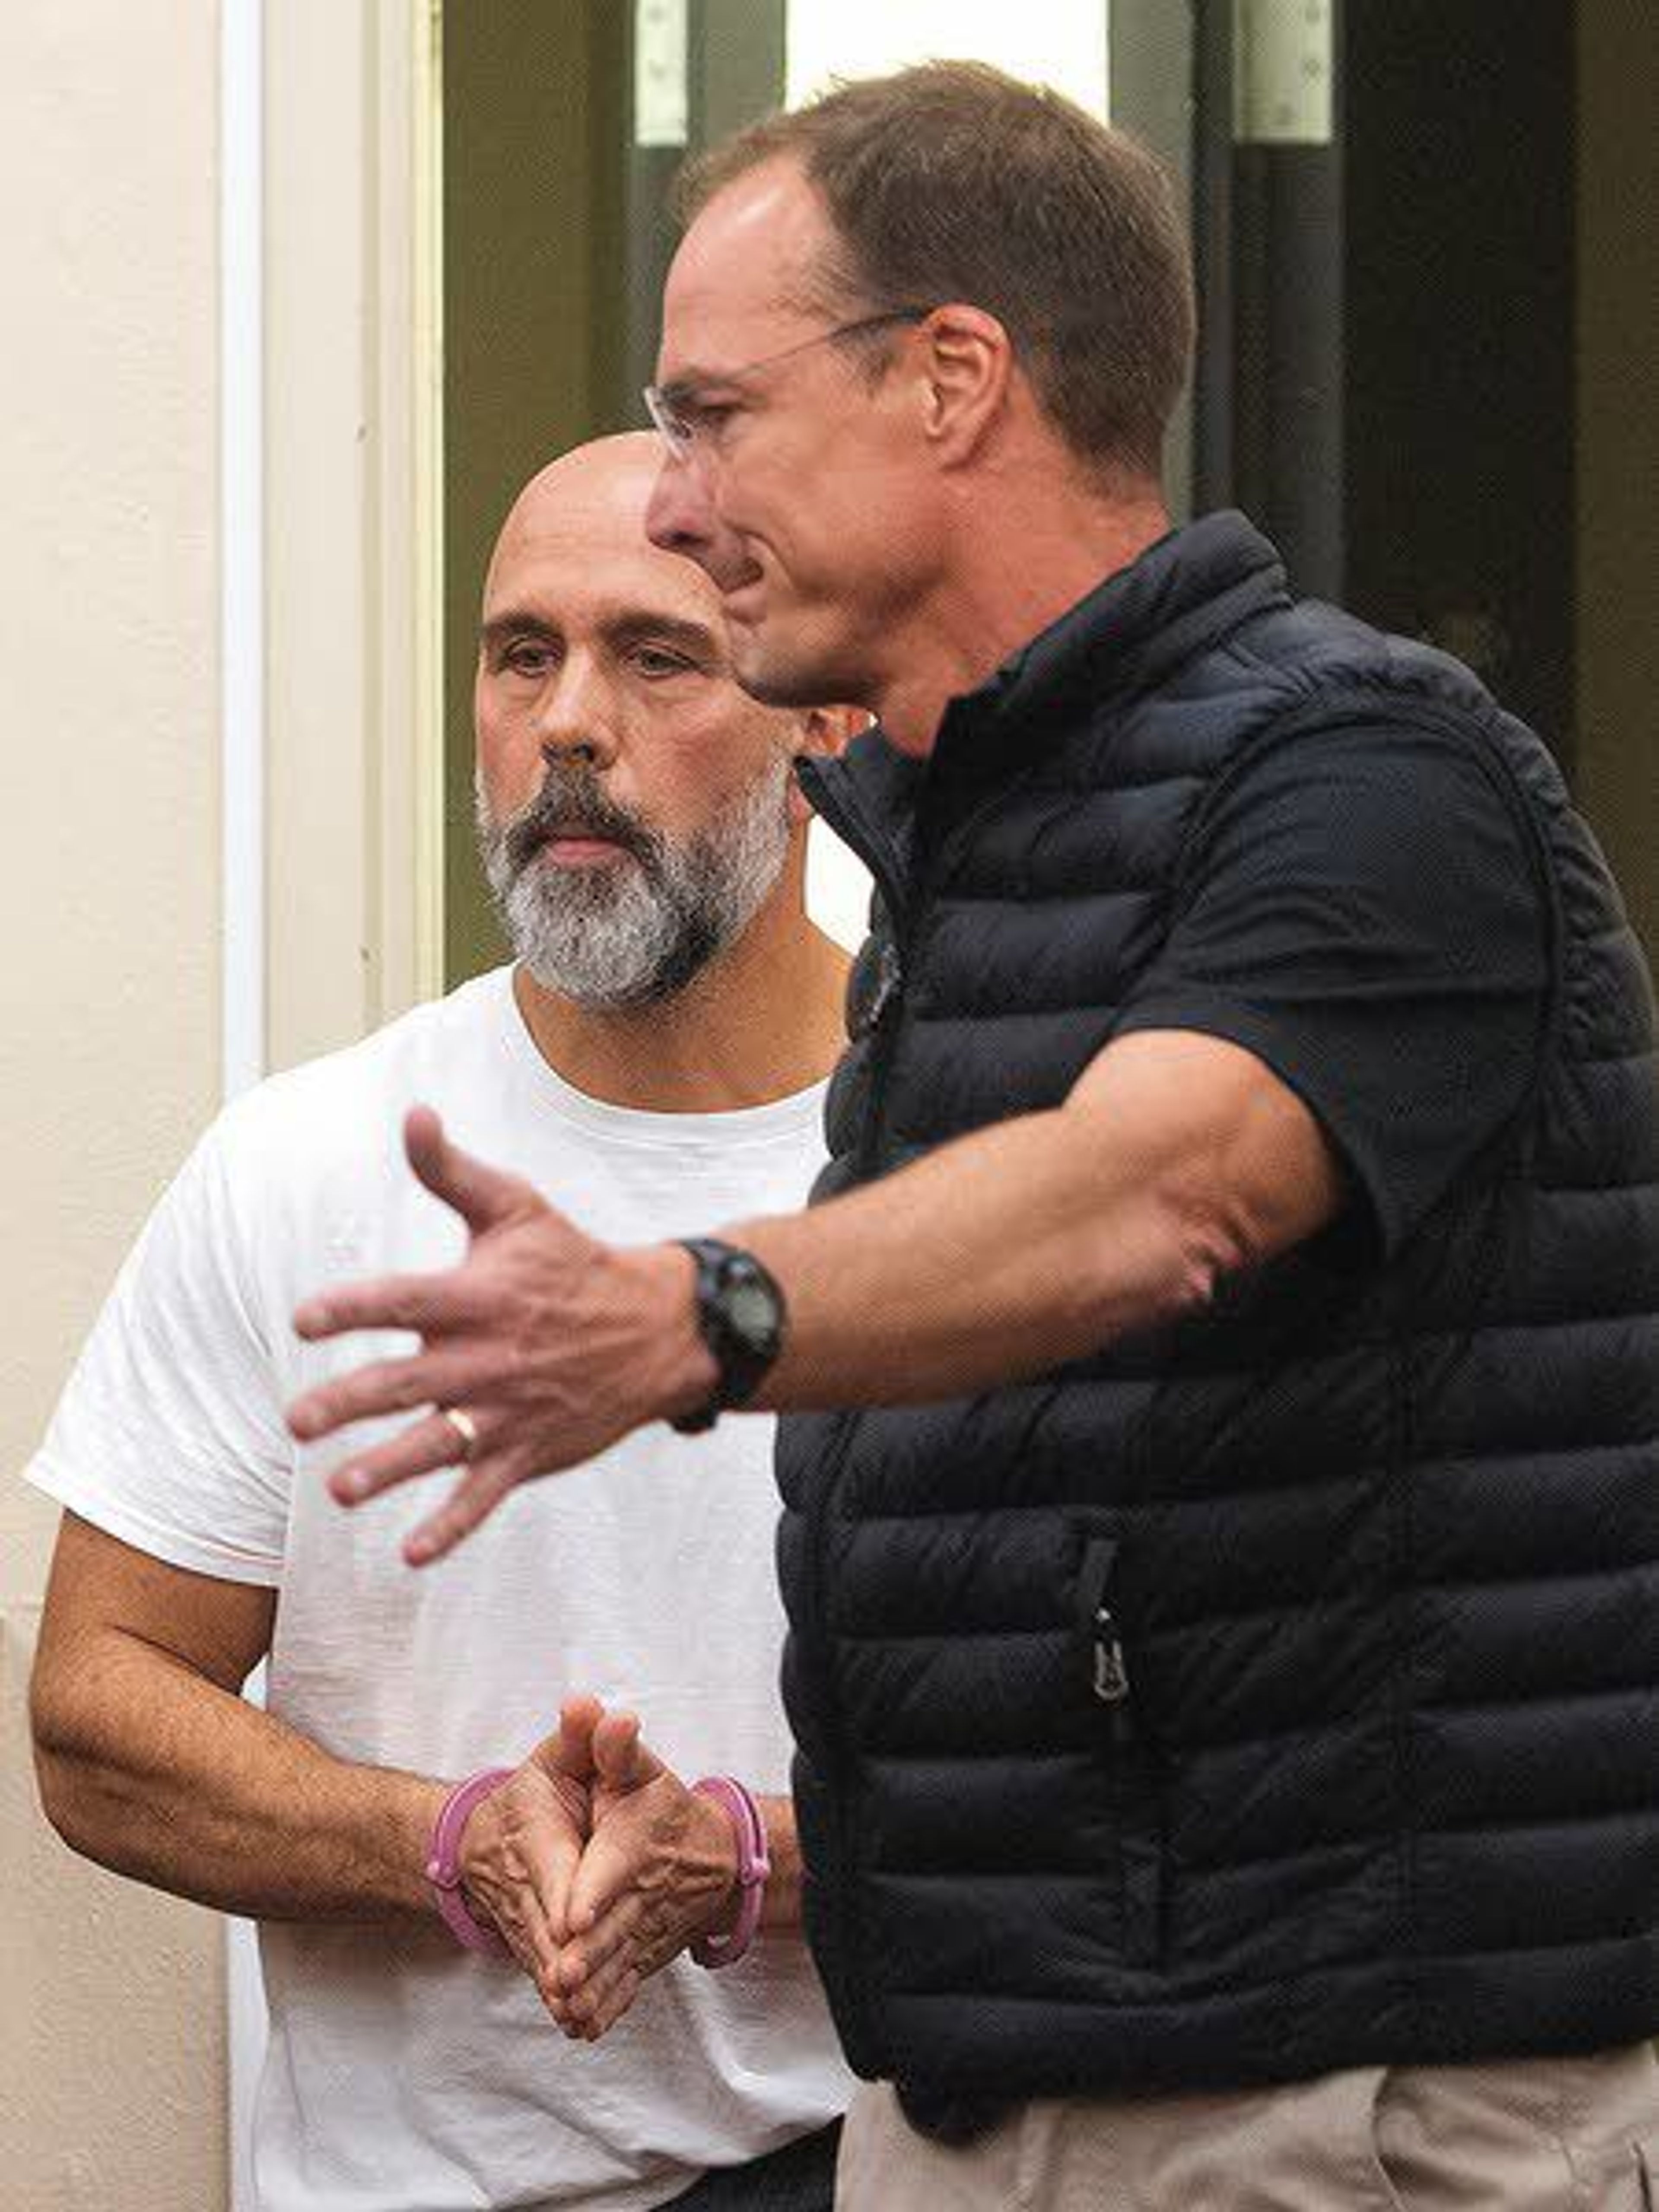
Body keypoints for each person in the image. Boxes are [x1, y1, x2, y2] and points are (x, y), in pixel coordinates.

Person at [283, 63, 1659, 2212]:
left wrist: (695, 1308)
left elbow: (1165, 1182)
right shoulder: (962, 857)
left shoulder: (1368, 769)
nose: (668, 496)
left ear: (951, 380)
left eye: (712, 414)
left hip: (1327, 2112)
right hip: (982, 2089)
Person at [26, 433, 860, 2212]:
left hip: (861, 2165)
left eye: (658, 656)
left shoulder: (978, 1169)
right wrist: (444, 1836)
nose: (570, 720)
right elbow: (98, 1706)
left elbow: (1147, 1788)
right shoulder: (307, 1161)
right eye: (519, 654)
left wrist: (744, 1860)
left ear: (828, 729)